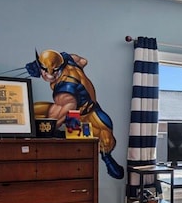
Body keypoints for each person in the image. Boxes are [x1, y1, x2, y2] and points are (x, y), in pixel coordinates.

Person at [25, 49, 124, 179]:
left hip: (85, 113)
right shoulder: (67, 59)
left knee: (106, 139)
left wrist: (47, 131)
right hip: (79, 109)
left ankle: (106, 157)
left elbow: (59, 116)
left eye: (43, 71)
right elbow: (83, 61)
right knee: (32, 110)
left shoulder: (65, 90)